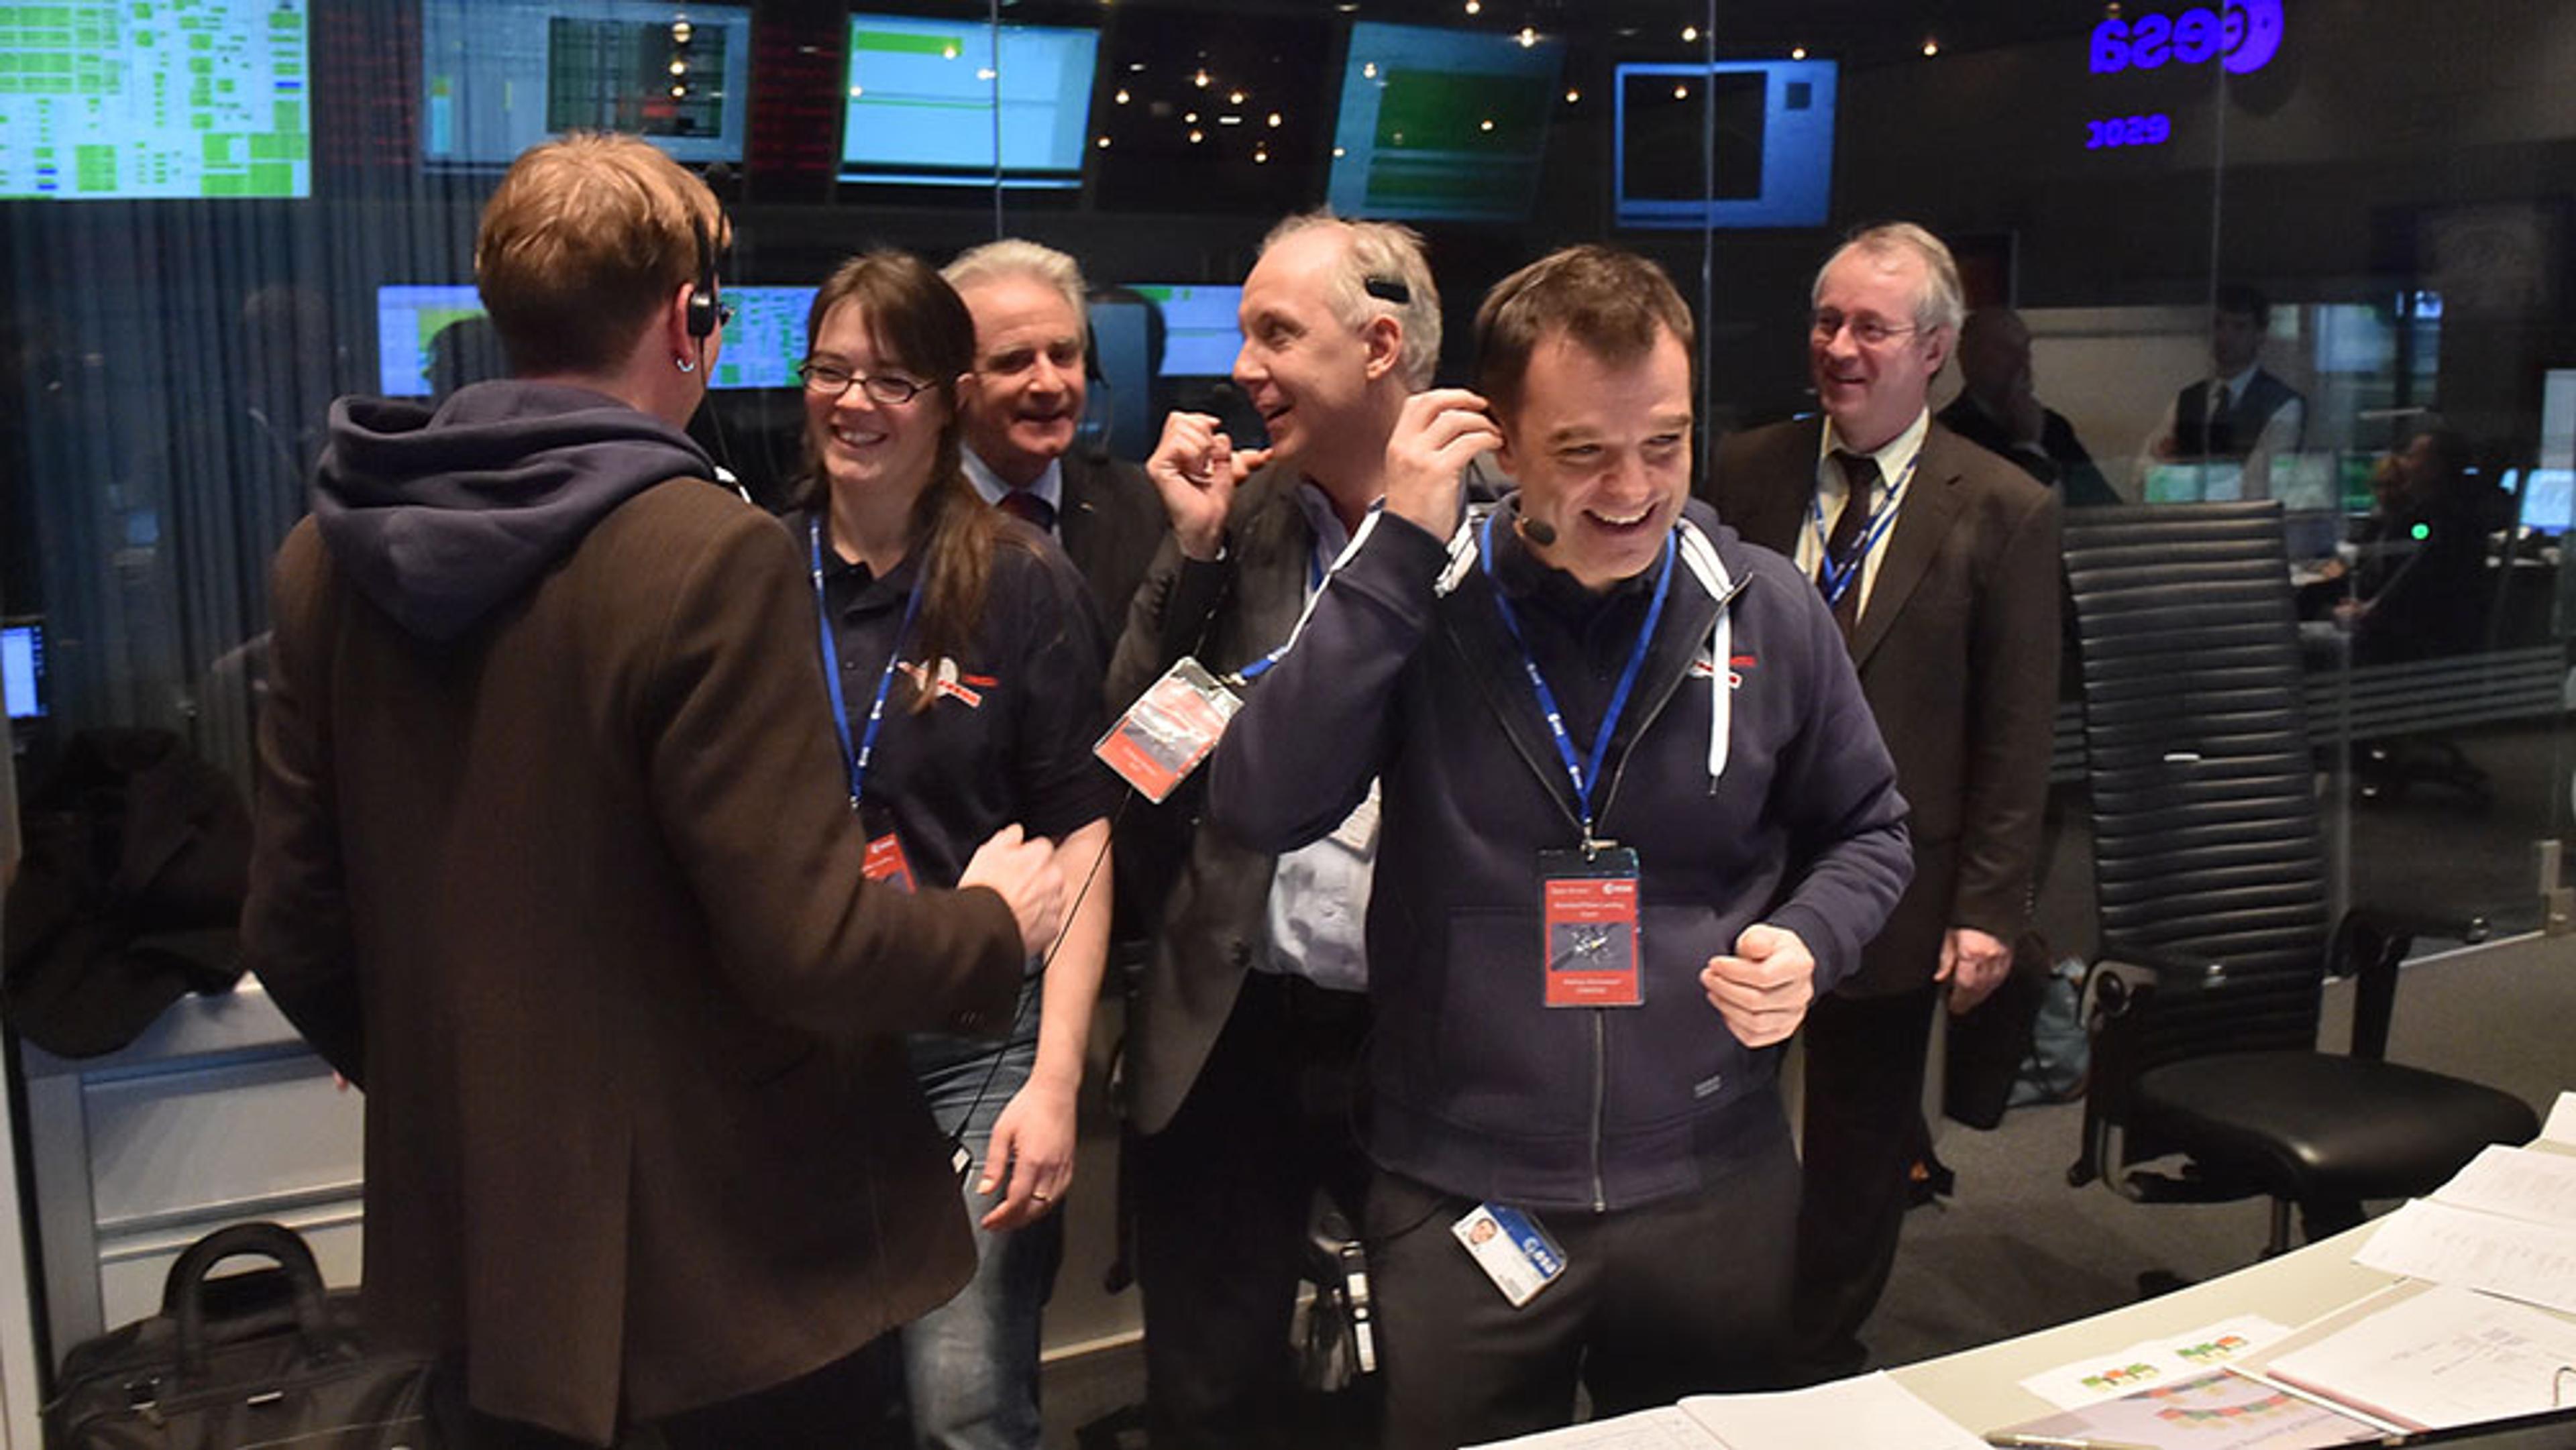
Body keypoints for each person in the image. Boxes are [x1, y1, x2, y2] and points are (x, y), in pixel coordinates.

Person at [239, 133, 1068, 1449]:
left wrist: (464, 1081)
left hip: (481, 1277)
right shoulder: (709, 558)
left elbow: (289, 921)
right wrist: (994, 924)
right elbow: (809, 944)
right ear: (690, 320)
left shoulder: (321, 560)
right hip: (729, 1296)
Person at [1207, 243, 1913, 1449]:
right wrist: (1394, 552)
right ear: (1501, 441)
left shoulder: (1764, 607)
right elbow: (1259, 802)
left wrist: (1811, 940)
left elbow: (1870, 830)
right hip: (1464, 1189)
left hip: (1711, 1174)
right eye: (1584, 450)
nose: (1633, 489)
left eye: (1666, 442)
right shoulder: (1419, 601)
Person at [1106, 210, 1442, 1450]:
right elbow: (1139, 760)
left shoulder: (1505, 525)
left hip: (1423, 1025)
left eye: (1275, 333)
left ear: (1380, 348)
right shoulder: (1242, 522)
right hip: (1234, 1020)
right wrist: (1187, 558)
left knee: (1431, 1374)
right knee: (1207, 1386)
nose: (1242, 367)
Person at [1704, 223, 2062, 1384]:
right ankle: (1712, 1327)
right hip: (1735, 871)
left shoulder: (2002, 506)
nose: (1840, 349)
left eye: (1871, 327)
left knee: (1860, 1140)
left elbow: (2017, 729)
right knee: (1720, 1118)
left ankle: (1815, 1355)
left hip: (1897, 881)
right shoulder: (1742, 472)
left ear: (1937, 351)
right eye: (1826, 322)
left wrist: (1991, 908)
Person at [783, 249, 1120, 1450]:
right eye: (831, 370)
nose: (856, 402)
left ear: (942, 398)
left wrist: (1059, 1077)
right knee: (820, 1401)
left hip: (979, 1051)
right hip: (801, 1050)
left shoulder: (1022, 583)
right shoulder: (756, 575)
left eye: (891, 378)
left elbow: (1082, 836)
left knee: (959, 1406)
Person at [942, 239, 1168, 635]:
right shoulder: (903, 515)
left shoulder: (1144, 508)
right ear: (955, 384)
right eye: (1013, 361)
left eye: (1063, 356)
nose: (1049, 384)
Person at [1937, 306, 2118, 507]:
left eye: (2025, 349)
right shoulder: (1947, 435)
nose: (2022, 362)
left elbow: (2105, 505)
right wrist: (2028, 446)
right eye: (2006, 350)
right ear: (1968, 358)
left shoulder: (2054, 427)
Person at [2140, 282, 2306, 501]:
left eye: (2239, 327)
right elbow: (2143, 470)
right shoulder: (2187, 400)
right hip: (2182, 525)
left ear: (2260, 334)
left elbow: (2259, 487)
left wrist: (2177, 481)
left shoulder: (2284, 405)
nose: (2225, 336)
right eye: (2218, 324)